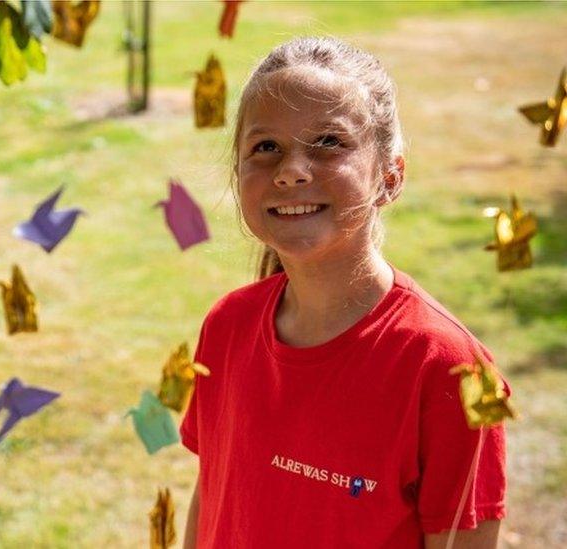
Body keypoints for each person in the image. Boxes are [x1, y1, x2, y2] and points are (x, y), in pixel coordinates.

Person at [180, 37, 509, 548]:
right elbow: (213, 499)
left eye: (329, 142)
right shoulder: (226, 326)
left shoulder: (450, 372)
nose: (290, 170)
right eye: (266, 147)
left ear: (390, 176)